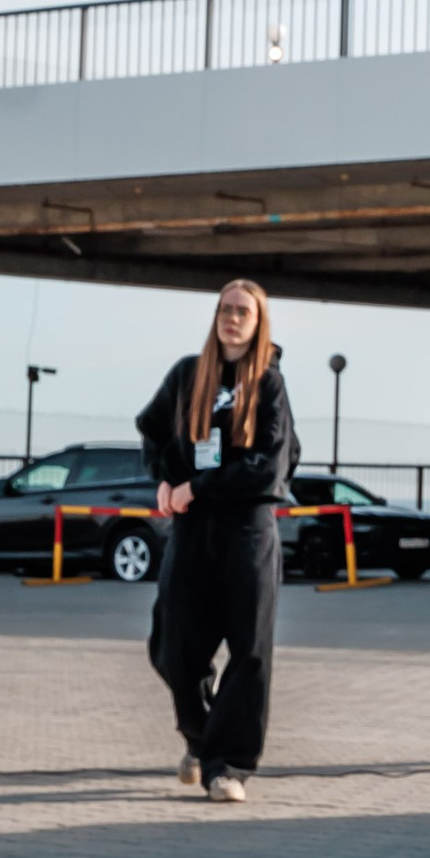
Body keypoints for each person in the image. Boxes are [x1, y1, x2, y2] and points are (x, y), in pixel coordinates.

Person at [137, 281, 298, 803]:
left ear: (258, 322)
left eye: (243, 312)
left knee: (249, 651)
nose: (232, 318)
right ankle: (201, 738)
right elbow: (154, 430)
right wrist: (165, 477)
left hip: (247, 528)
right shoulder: (188, 374)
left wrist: (196, 485)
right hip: (192, 527)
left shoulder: (268, 384)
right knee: (172, 644)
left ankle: (228, 767)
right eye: (226, 309)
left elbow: (268, 467)